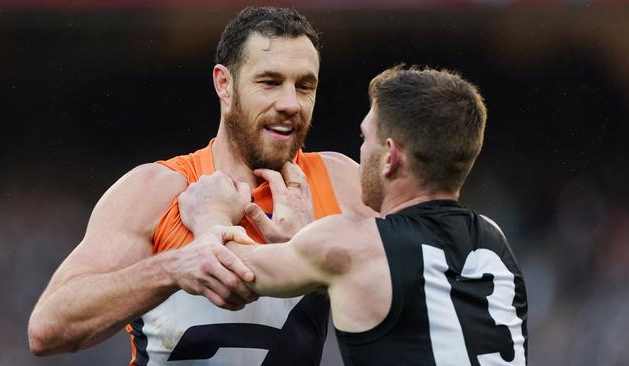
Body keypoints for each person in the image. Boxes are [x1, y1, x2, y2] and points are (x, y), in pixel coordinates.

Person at [28, 6, 374, 366]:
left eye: (305, 86)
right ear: (224, 84)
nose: (290, 103)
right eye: (269, 82)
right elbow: (48, 329)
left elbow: (418, 306)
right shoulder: (156, 191)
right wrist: (175, 268)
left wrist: (316, 250)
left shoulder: (342, 184)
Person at [180, 65, 529, 366]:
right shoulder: (494, 238)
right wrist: (306, 245)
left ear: (390, 157)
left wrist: (210, 216)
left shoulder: (353, 242)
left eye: (365, 138)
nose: (360, 151)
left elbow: (231, 269)